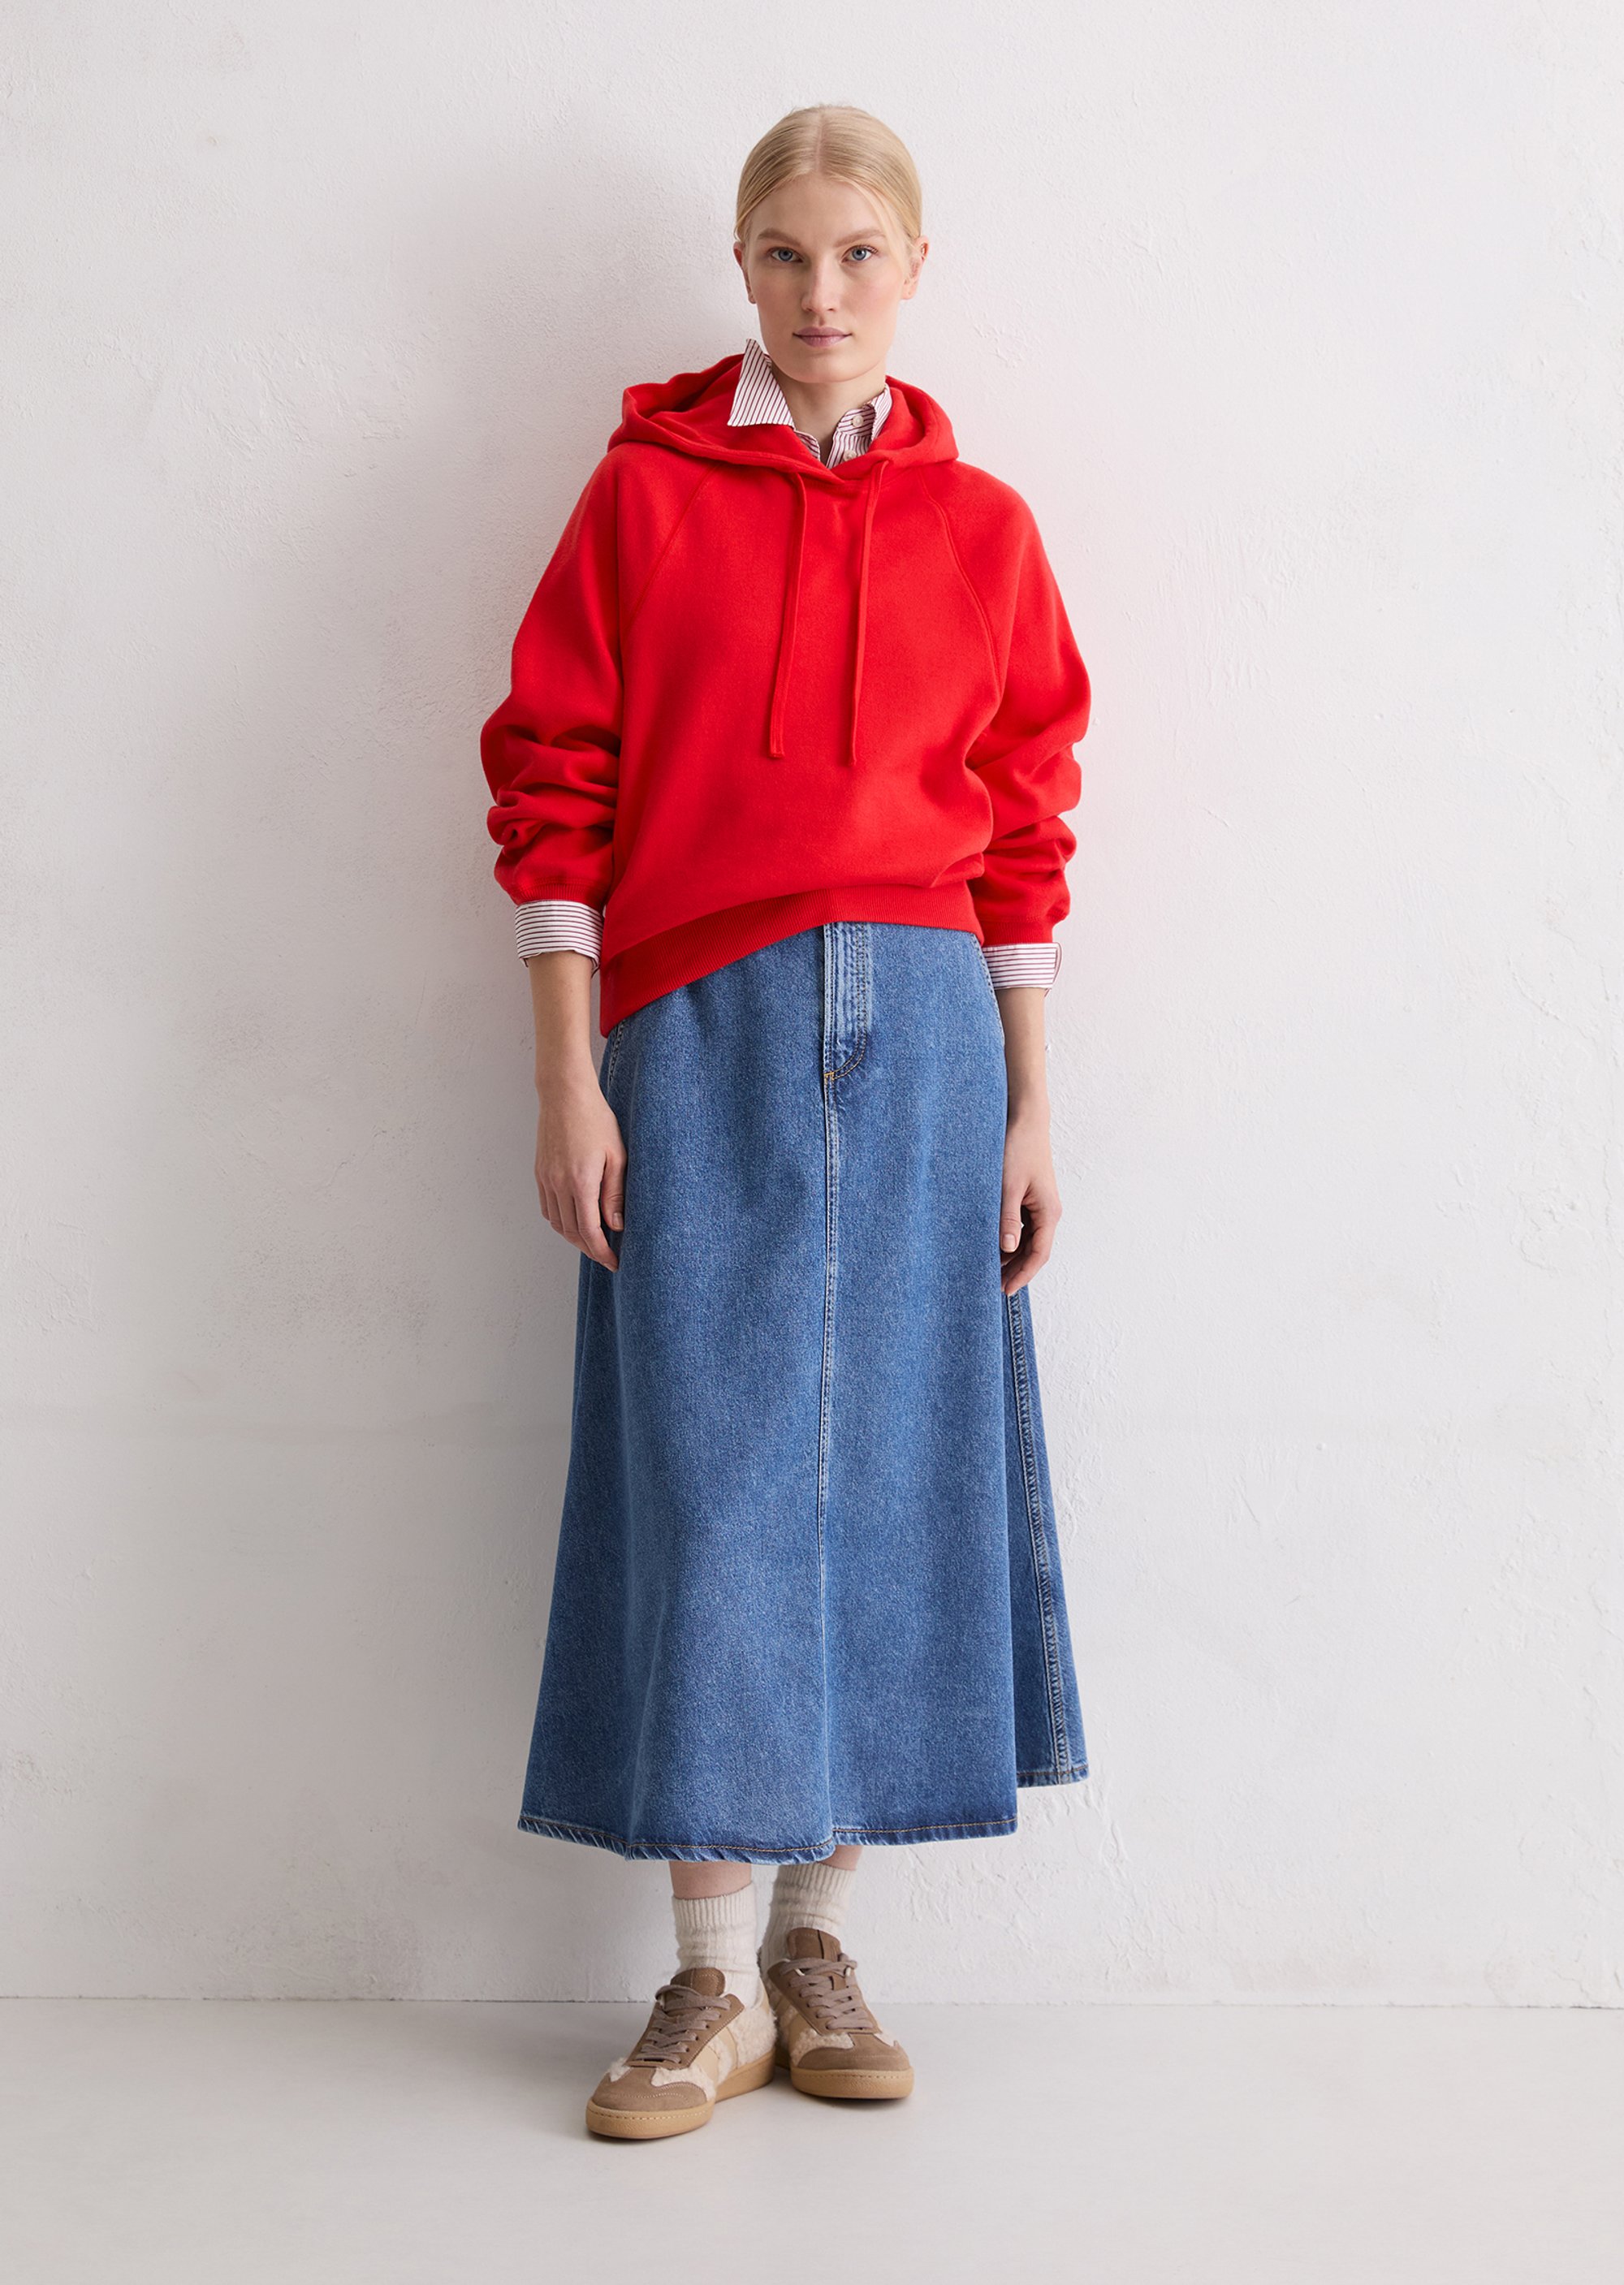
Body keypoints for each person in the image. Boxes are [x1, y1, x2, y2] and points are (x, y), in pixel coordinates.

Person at [479, 102, 1091, 2142]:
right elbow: (553, 779)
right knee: (717, 1470)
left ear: (912, 269)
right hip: (697, 1024)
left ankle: (819, 1954)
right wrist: (568, 1070)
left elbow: (1024, 826)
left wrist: (1029, 1101)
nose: (819, 294)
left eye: (856, 255)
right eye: (781, 254)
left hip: (925, 1030)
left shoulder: (982, 529)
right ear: (739, 266)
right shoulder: (643, 497)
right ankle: (705, 1979)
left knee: (894, 1462)